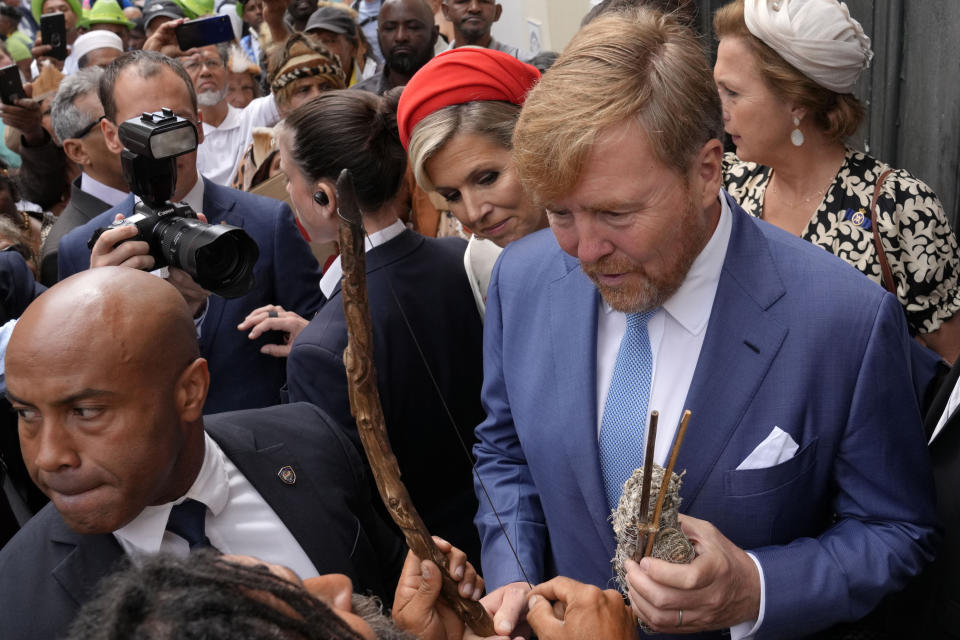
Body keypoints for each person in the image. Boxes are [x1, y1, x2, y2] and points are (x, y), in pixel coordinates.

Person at [472, 7, 937, 639]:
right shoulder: (521, 281)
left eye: (615, 213)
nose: (583, 252)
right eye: (560, 214)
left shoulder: (844, 322)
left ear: (705, 172)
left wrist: (755, 588)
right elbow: (505, 454)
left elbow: (896, 532)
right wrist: (516, 578)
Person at [0, 267, 405, 640]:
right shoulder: (15, 599)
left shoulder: (310, 441)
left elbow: (390, 594)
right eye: (26, 413)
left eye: (85, 411)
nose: (49, 456)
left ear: (190, 391)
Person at [243, 89, 485, 564]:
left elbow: (350, 503)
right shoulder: (462, 259)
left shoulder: (323, 349)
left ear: (325, 197)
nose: (286, 191)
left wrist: (324, 346)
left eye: (288, 176)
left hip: (433, 570)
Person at [57, 50, 324, 414]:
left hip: (254, 453)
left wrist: (311, 339)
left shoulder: (267, 223)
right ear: (112, 136)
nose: (163, 144)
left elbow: (321, 347)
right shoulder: (81, 252)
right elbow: (75, 387)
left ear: (199, 126)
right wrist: (99, 301)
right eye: (144, 126)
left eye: (177, 122)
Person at [715, 0, 960, 364]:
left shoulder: (898, 209)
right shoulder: (727, 187)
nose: (719, 108)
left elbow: (951, 368)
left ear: (796, 100)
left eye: (732, 92)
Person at [399, 47, 544, 316]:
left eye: (487, 179)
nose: (475, 213)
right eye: (452, 196)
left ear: (533, 144)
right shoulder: (481, 262)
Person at [41, 66, 123, 286]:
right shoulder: (64, 250)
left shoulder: (174, 186)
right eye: (111, 123)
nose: (134, 127)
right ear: (77, 151)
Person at [182, 42, 281, 187]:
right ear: (180, 77)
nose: (205, 71)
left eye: (212, 63)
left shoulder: (253, 114)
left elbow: (290, 91)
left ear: (226, 72)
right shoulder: (178, 137)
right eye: (193, 65)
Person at [353, 0, 437, 96]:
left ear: (435, 34)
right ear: (378, 35)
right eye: (389, 28)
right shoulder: (359, 99)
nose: (400, 37)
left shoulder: (454, 90)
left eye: (413, 27)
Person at [304, 6, 377, 87]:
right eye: (313, 42)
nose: (321, 50)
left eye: (330, 41)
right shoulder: (300, 90)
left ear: (354, 48)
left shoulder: (375, 90)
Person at [439, 0, 519, 60]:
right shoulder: (435, 68)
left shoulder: (524, 65)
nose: (474, 8)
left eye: (484, 1)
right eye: (463, 1)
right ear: (446, 11)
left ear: (497, 12)